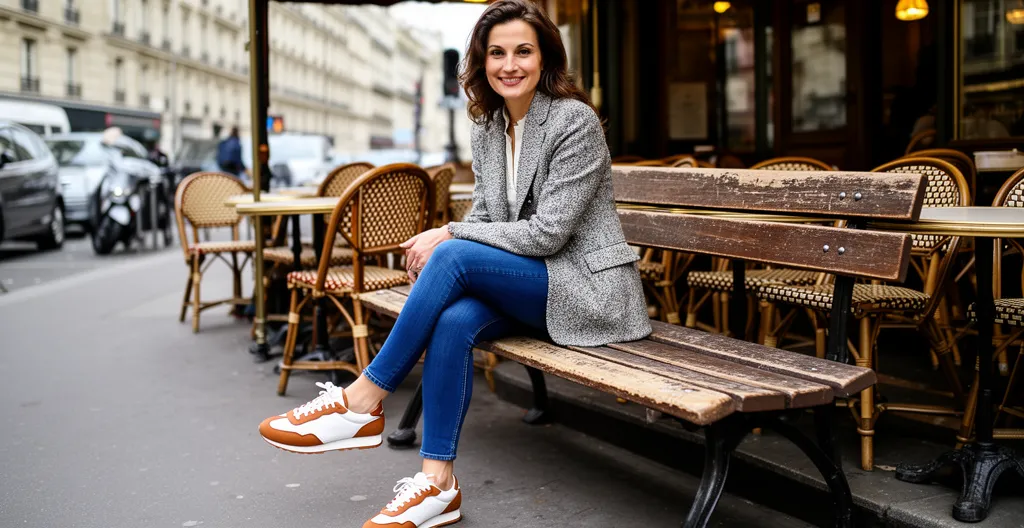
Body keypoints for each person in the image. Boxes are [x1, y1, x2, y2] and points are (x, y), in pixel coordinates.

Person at [257, 1, 651, 526]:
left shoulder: (573, 122)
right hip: (536, 288)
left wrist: (448, 232)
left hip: (587, 290)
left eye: (523, 51)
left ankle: (362, 401)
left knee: (454, 253)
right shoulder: (489, 125)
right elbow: (486, 214)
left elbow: (548, 234)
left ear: (545, 59)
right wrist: (457, 237)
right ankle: (437, 484)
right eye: (497, 53)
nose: (510, 65)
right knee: (454, 319)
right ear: (482, 62)